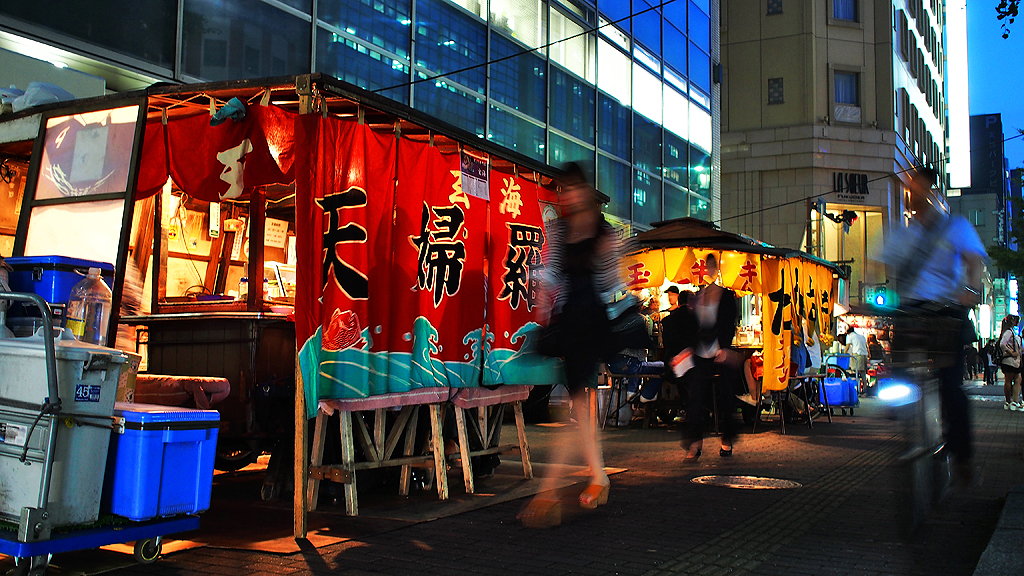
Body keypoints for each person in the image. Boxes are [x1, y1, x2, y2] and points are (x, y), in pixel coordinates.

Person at [518, 162, 623, 528]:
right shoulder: (561, 230)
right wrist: (536, 279)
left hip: (591, 321)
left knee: (575, 407)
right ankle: (599, 476)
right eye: (564, 190)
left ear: (585, 191)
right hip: (568, 323)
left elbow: (612, 282)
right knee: (578, 406)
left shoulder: (602, 231)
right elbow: (553, 272)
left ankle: (549, 491)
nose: (568, 196)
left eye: (574, 189)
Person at [881, 194, 987, 485]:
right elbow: (880, 263)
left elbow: (974, 261)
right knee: (898, 365)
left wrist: (970, 289)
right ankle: (899, 403)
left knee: (950, 385)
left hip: (946, 312)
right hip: (911, 312)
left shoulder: (957, 227)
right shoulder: (902, 234)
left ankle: (962, 453)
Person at [680, 253, 740, 461]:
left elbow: (728, 323)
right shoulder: (698, 296)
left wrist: (724, 346)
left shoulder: (726, 295)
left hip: (719, 350)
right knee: (695, 397)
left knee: (725, 397)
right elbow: (691, 327)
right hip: (700, 351)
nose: (710, 269)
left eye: (713, 265)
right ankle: (695, 443)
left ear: (717, 268)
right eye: (708, 265)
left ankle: (726, 440)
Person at [998, 315, 1021, 411]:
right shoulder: (1008, 332)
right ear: (1012, 321)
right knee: (1011, 379)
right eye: (1016, 320)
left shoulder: (1010, 332)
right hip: (1009, 360)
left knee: (1017, 379)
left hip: (1013, 361)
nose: (1017, 322)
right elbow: (1002, 344)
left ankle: (1013, 401)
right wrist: (1011, 352)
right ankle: (1009, 401)